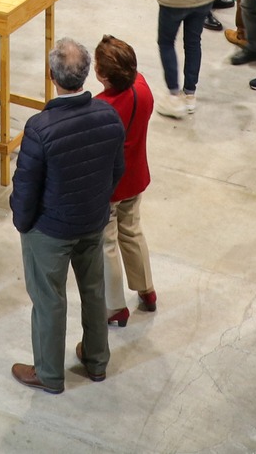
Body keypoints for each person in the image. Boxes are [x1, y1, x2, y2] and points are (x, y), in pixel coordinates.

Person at [9, 37, 127, 395]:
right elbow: (116, 171)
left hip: (50, 230)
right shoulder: (108, 116)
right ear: (86, 74)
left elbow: (25, 186)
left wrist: (23, 224)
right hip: (92, 221)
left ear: (51, 75)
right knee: (93, 290)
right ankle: (96, 360)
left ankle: (48, 373)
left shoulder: (39, 127)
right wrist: (95, 202)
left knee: (49, 299)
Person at [92, 35, 156, 328]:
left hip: (109, 187)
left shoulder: (100, 108)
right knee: (132, 231)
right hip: (136, 176)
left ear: (101, 75)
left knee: (107, 242)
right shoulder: (143, 88)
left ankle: (115, 306)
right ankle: (146, 289)